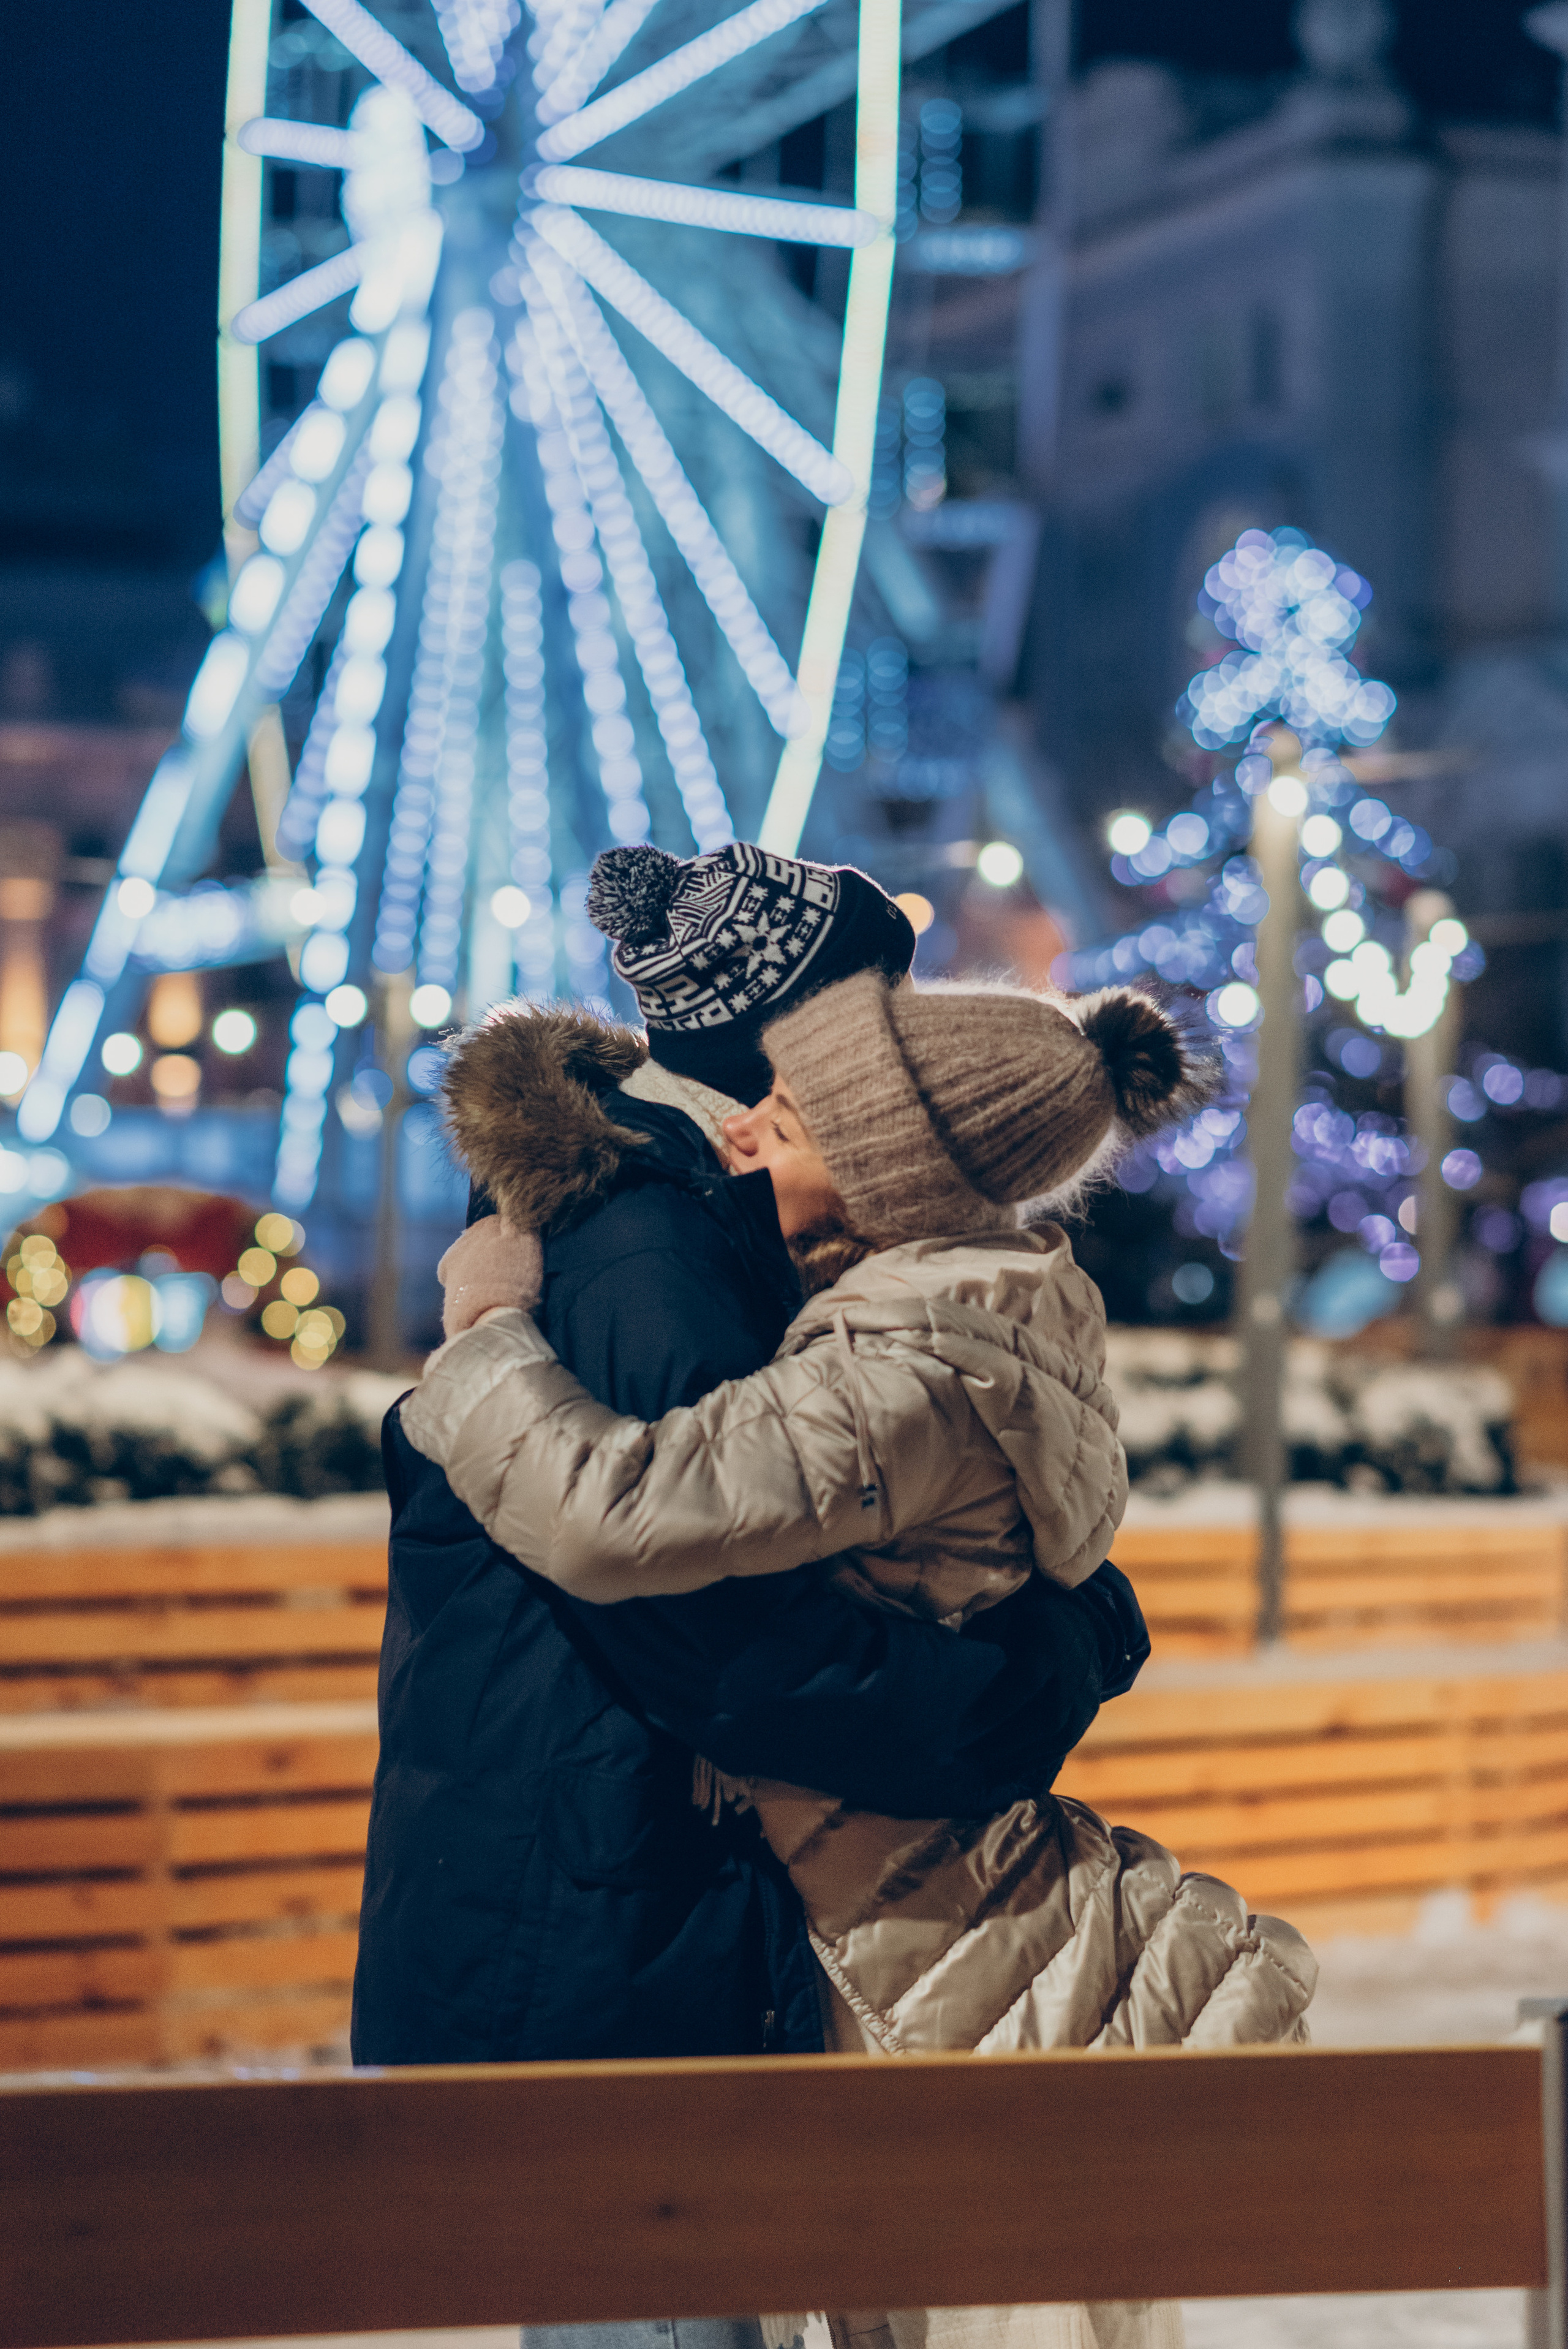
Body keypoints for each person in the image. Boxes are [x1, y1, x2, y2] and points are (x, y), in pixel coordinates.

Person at [408, 964, 1317, 2349]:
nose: (756, 1119)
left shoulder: (896, 1369)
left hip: (905, 1941)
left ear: (896, 1163)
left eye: (805, 1104)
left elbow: (608, 1514)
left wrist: (483, 1336)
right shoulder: (999, 1309)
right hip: (960, 1904)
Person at [352, 841, 1149, 2079]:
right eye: (871, 1014)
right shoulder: (649, 1254)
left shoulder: (693, 1220)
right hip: (591, 1920)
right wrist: (1039, 1667)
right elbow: (724, 1643)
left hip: (595, 1892)